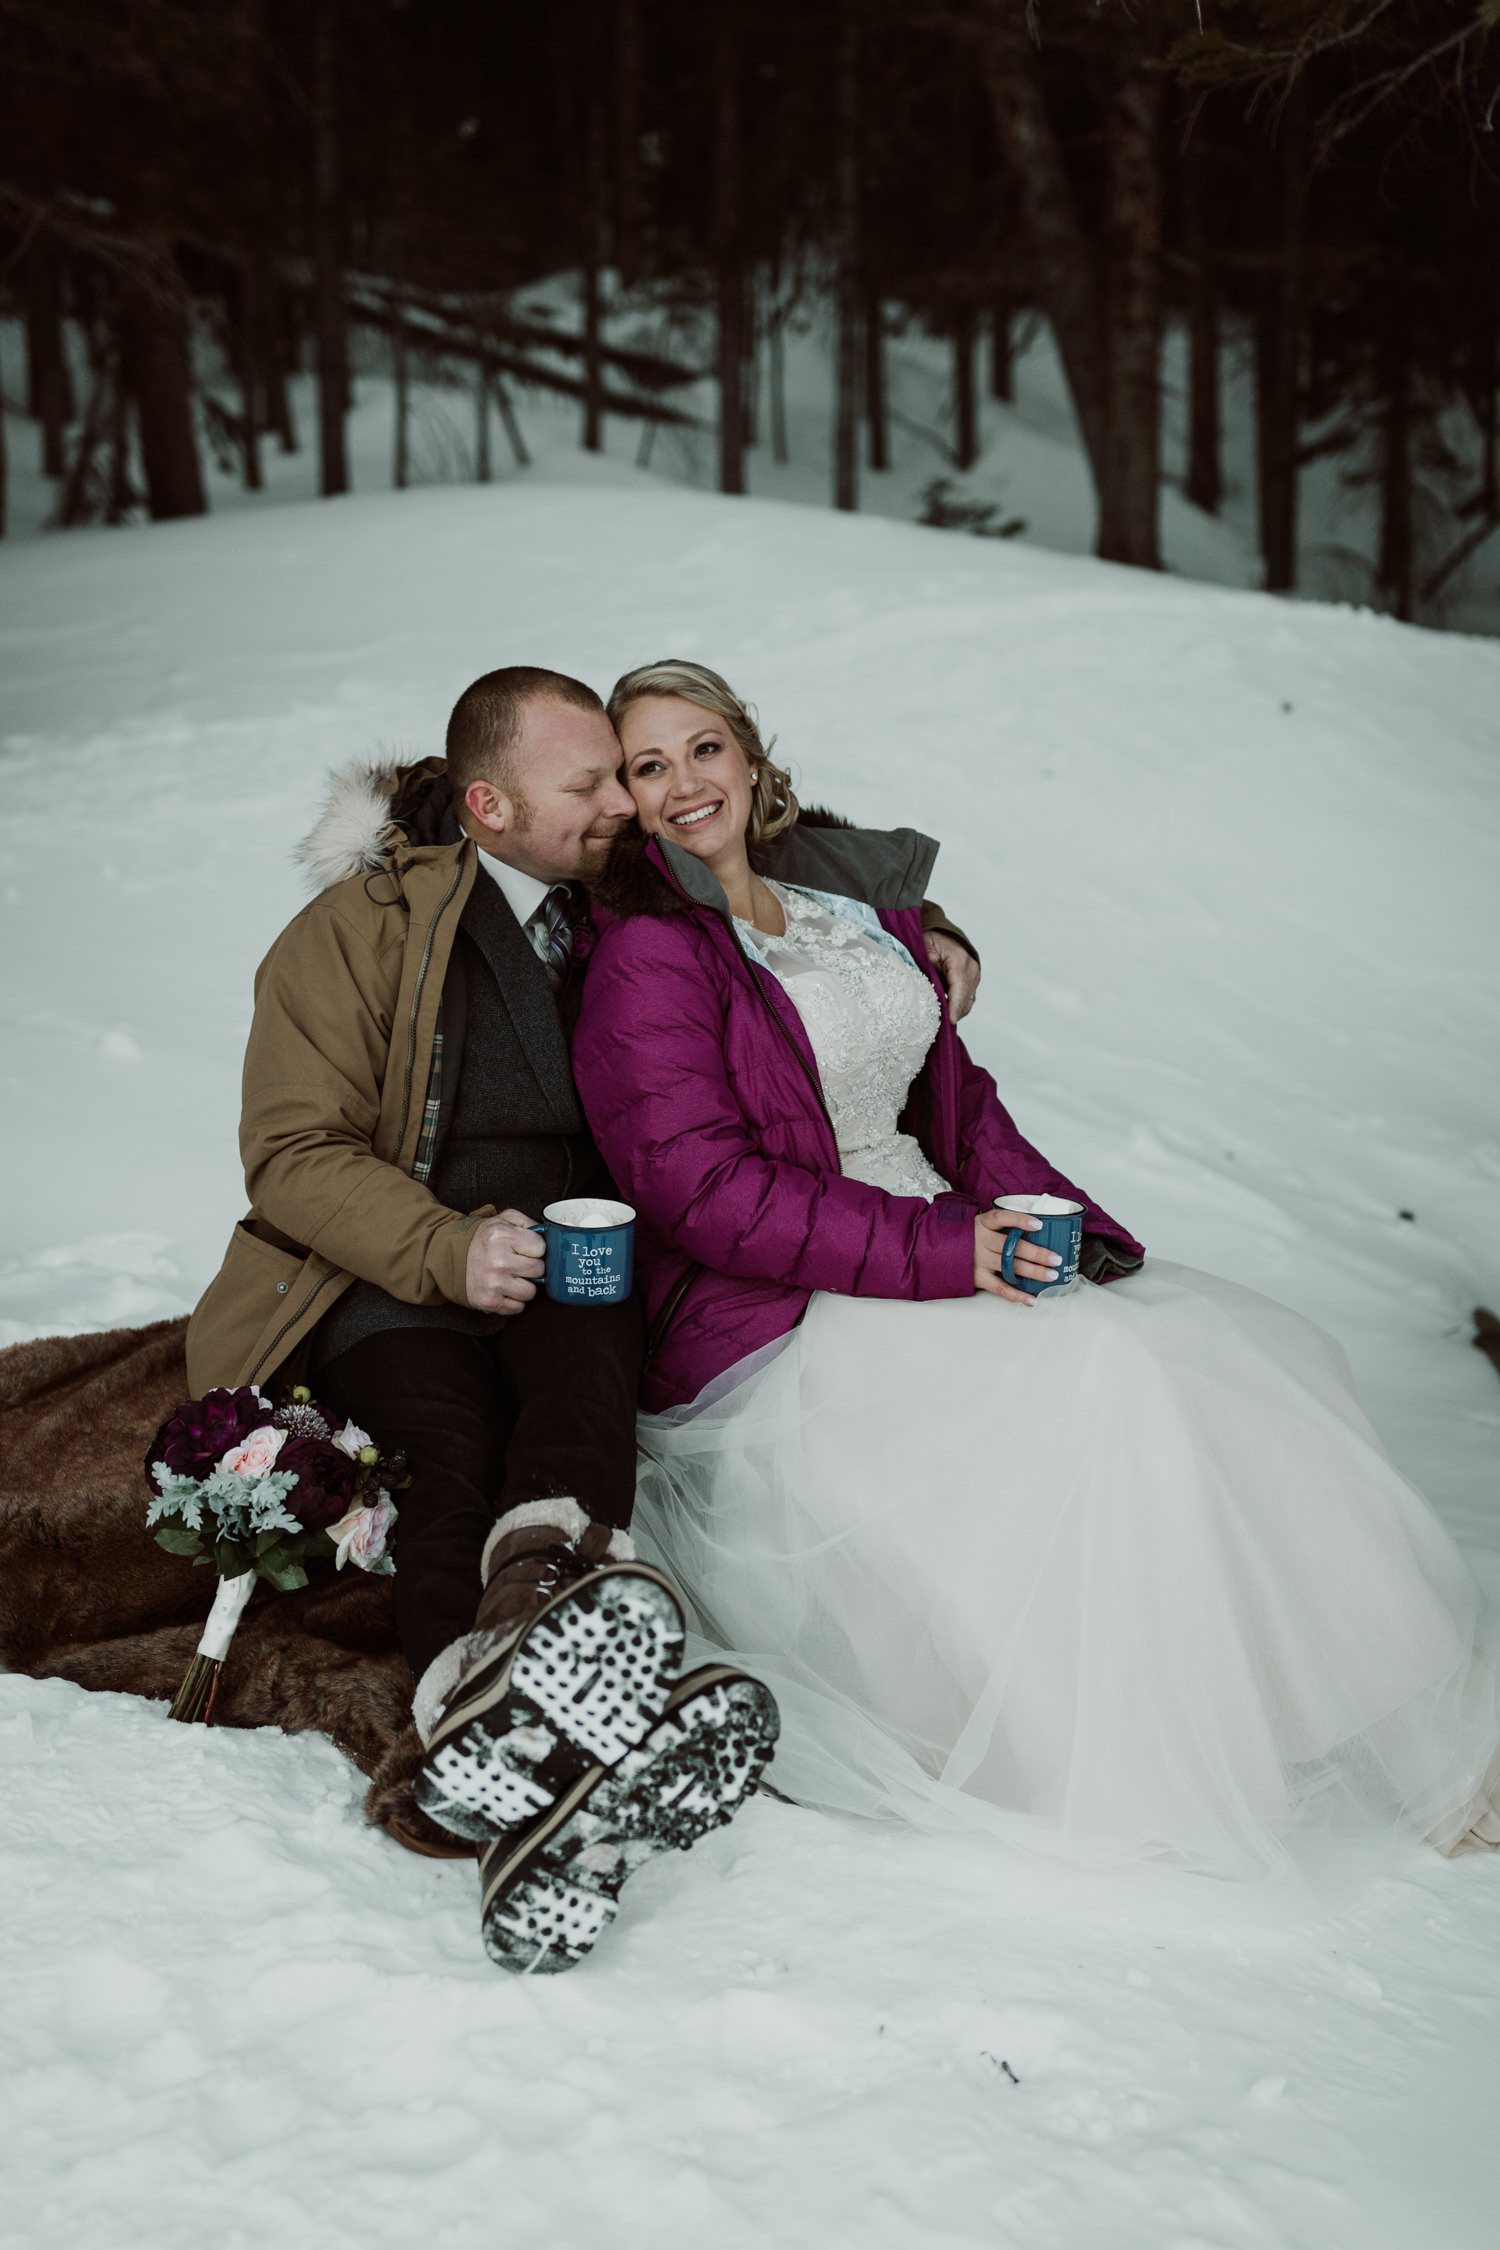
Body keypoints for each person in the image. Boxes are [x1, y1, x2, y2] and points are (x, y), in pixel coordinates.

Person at [572, 658, 1500, 1884]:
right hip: (791, 1301)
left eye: (704, 748)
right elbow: (704, 1194)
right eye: (649, 766)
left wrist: (1057, 1225)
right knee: (1103, 1382)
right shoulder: (651, 956)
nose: (686, 783)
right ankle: (1124, 1762)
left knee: (1242, 1351)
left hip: (943, 1236)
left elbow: (956, 1110)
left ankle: (1384, 1728)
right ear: (627, 804)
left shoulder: (845, 912)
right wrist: (956, 1249)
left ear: (750, 758)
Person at [185, 664, 983, 1970]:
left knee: (575, 1442)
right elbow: (292, 1150)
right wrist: (446, 1244)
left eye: (627, 772)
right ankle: (525, 1733)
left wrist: (926, 921)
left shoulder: (625, 873)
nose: (629, 799)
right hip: (392, 1269)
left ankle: (517, 1724)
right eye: (594, 781)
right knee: (448, 1454)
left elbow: (781, 847)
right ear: (489, 805)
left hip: (587, 1261)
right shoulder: (356, 933)